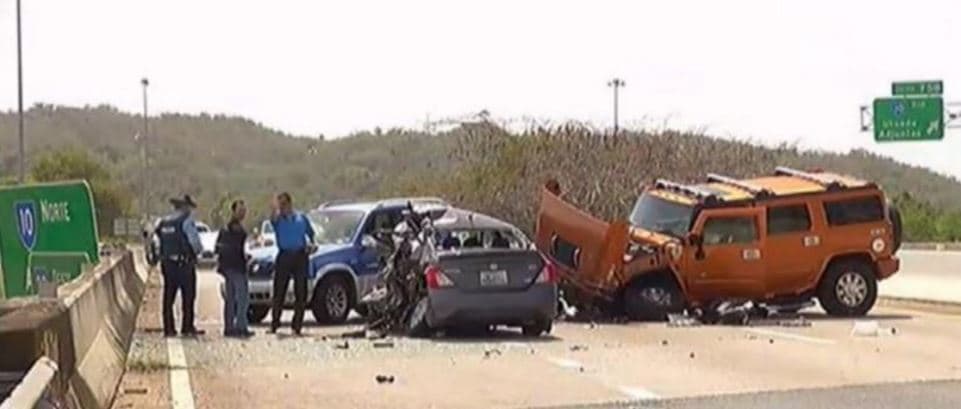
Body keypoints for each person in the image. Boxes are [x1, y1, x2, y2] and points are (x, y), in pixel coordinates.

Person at [155, 195, 204, 337]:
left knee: (168, 297)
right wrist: (197, 253)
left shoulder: (163, 222)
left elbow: (156, 241)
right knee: (188, 296)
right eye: (189, 207)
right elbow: (195, 243)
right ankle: (187, 327)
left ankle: (168, 328)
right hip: (184, 264)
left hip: (167, 264)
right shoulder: (186, 221)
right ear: (184, 208)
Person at [269, 192, 316, 335]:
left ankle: (297, 326)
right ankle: (275, 323)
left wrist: (312, 245)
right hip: (284, 256)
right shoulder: (278, 220)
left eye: (283, 204)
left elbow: (311, 234)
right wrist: (274, 207)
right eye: (280, 204)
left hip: (300, 256)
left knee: (300, 292)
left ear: (289, 204)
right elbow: (272, 217)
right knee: (279, 291)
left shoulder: (301, 218)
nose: (282, 207)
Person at [216, 200, 253, 338]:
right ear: (233, 211)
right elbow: (238, 249)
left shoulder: (224, 229)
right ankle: (241, 327)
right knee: (242, 298)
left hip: (227, 268)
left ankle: (229, 327)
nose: (243, 213)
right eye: (240, 210)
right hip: (236, 267)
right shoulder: (237, 229)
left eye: (244, 211)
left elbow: (218, 248)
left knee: (230, 299)